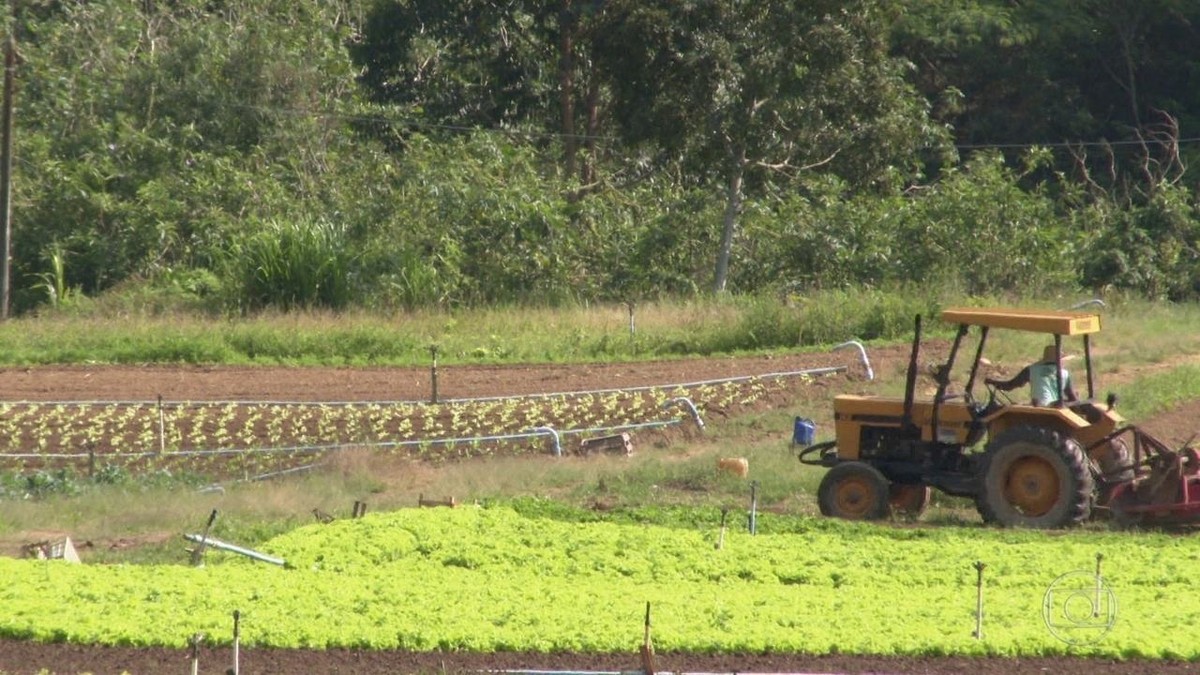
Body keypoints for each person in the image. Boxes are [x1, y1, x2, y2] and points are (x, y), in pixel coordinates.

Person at [985, 344, 1077, 406]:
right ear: (1060, 361)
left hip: (1039, 406)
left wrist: (992, 382)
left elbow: (1010, 386)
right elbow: (1072, 397)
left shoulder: (1032, 369)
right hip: (1056, 406)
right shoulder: (1065, 373)